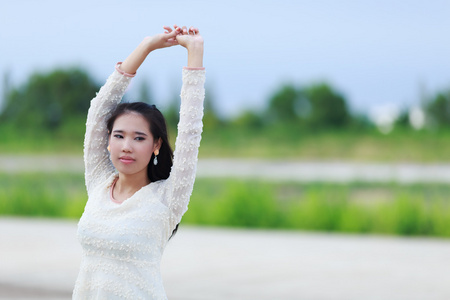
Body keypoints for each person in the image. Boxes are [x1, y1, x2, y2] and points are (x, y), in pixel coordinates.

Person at [72, 25, 205, 299]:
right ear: (108, 140)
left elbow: (191, 131)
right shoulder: (99, 182)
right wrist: (146, 47)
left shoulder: (167, 198)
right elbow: (98, 111)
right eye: (119, 136)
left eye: (139, 138)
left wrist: (195, 53)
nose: (126, 146)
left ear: (156, 145)